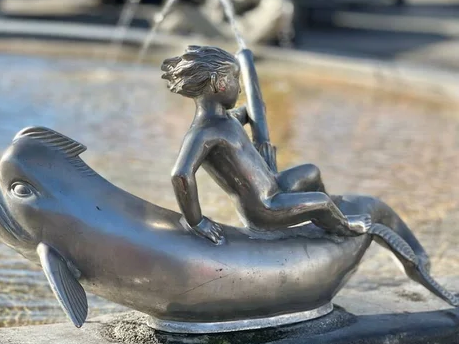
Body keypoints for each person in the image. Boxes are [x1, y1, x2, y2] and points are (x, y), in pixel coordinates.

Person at [163, 46, 420, 256]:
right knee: (321, 201)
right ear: (219, 83)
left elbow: (251, 111)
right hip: (265, 208)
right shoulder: (204, 132)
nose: (239, 87)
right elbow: (181, 175)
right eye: (235, 80)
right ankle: (343, 226)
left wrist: (251, 76)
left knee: (310, 172)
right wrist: (197, 221)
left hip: (274, 186)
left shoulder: (226, 120)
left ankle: (330, 215)